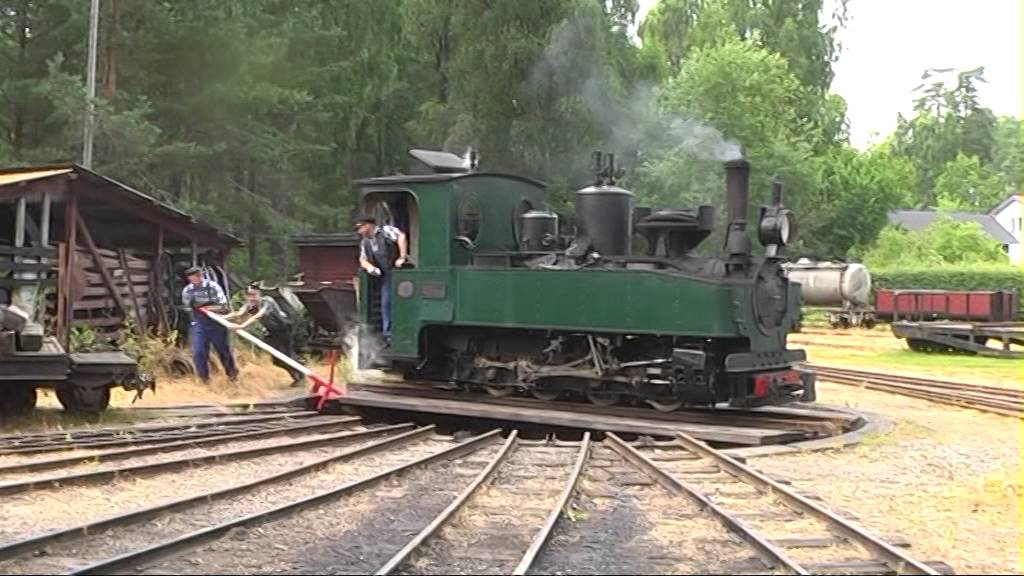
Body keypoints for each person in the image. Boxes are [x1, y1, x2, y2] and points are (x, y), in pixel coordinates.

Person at [225, 284, 305, 386]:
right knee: (276, 360)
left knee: (285, 356)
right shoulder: (249, 304)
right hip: (271, 331)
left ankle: (300, 373)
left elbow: (259, 315)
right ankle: (297, 376)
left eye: (253, 295)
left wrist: (242, 326)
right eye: (249, 295)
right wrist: (222, 317)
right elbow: (238, 313)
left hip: (284, 330)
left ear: (260, 295)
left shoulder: (267, 301)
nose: (251, 298)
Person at [355, 213, 408, 342]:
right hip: (382, 274)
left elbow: (401, 236)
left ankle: (389, 333)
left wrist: (402, 257)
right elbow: (362, 259)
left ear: (368, 225)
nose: (359, 231)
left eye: (360, 227)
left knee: (388, 302)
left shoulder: (385, 231)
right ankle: (386, 333)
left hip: (395, 271)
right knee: (385, 302)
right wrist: (369, 267)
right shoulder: (365, 242)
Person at [181, 265, 239, 383]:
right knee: (199, 351)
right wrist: (194, 308)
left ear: (200, 276)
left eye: (196, 278)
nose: (194, 281)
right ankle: (204, 378)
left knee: (223, 350)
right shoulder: (187, 290)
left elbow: (223, 306)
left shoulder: (213, 287)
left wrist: (208, 308)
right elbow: (187, 308)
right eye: (191, 279)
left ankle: (232, 374)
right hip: (199, 322)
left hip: (216, 321)